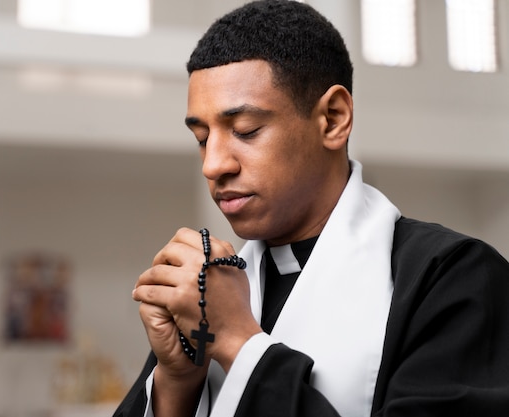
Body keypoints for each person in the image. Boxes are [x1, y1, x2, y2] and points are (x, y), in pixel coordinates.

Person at [114, 1, 509, 416]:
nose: (213, 165)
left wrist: (238, 343)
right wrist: (177, 382)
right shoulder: (213, 289)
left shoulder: (454, 278)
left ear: (333, 119)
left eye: (245, 131)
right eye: (201, 138)